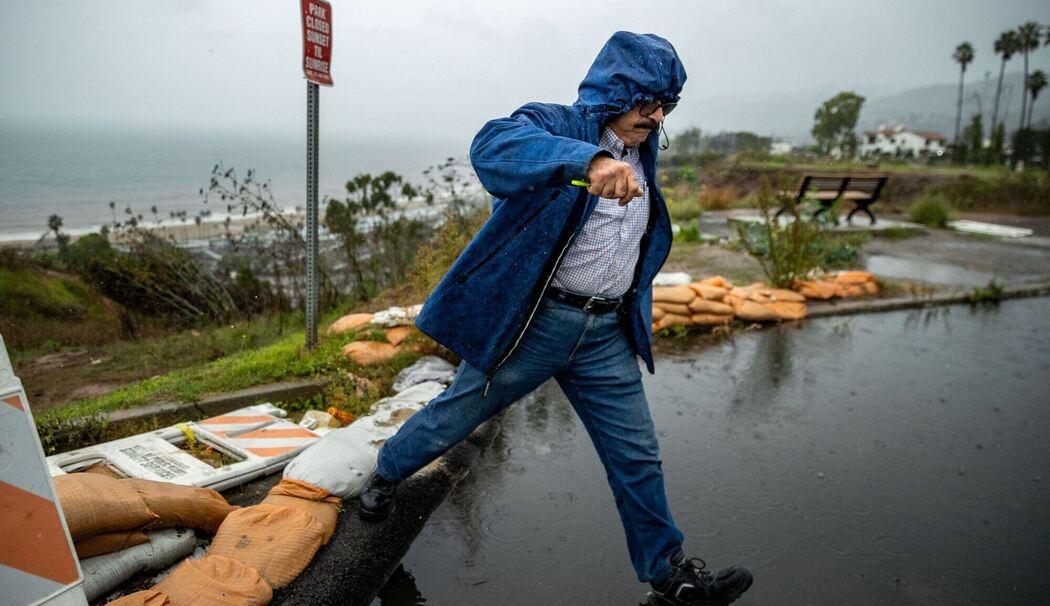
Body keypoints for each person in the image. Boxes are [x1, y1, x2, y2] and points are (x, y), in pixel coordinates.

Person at [359, 31, 754, 605]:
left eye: (666, 103)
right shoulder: (557, 124)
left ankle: (672, 576)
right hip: (536, 327)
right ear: (617, 89)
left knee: (637, 454)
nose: (657, 114)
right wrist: (586, 161)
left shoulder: (644, 149)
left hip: (605, 335)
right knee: (455, 413)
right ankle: (387, 474)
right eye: (647, 99)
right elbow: (492, 145)